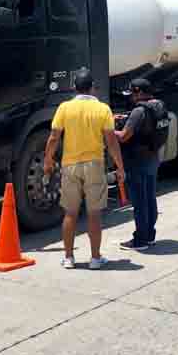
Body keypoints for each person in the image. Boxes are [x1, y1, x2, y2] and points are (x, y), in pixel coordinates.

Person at [43, 68, 125, 270]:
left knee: (70, 213)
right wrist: (120, 166)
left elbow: (54, 137)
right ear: (93, 88)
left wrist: (47, 161)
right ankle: (95, 258)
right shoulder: (102, 109)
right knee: (94, 214)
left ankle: (69, 258)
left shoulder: (64, 108)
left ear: (74, 88)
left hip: (70, 165)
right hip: (94, 165)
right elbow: (111, 141)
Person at [116, 78, 168, 250]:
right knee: (150, 198)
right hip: (152, 157)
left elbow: (124, 136)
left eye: (132, 93)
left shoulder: (139, 111)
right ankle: (150, 235)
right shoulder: (159, 105)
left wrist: (108, 129)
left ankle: (140, 240)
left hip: (136, 160)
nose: (130, 97)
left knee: (139, 202)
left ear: (138, 92)